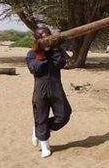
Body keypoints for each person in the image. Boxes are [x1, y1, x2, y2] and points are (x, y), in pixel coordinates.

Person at [26, 27, 71, 158]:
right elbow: (35, 69)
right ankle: (45, 146)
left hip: (56, 87)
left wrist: (56, 49)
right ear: (37, 39)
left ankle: (38, 130)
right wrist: (41, 55)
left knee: (64, 115)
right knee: (41, 117)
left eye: (48, 35)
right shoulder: (31, 53)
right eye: (43, 36)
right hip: (41, 90)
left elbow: (61, 64)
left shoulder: (57, 50)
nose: (46, 38)